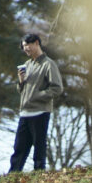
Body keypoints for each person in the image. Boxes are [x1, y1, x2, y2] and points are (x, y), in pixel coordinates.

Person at [8, 33, 63, 172]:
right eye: (23, 46)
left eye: (27, 45)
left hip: (40, 111)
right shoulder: (27, 65)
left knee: (39, 146)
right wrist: (21, 82)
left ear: (37, 43)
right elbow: (22, 90)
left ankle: (39, 173)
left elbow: (57, 88)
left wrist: (38, 96)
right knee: (19, 147)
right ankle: (13, 174)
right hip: (25, 112)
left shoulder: (48, 64)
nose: (25, 48)